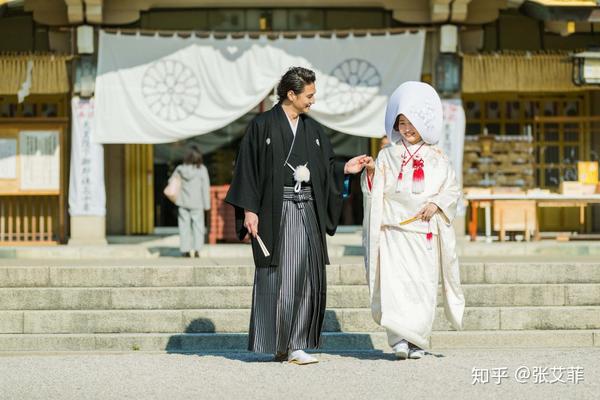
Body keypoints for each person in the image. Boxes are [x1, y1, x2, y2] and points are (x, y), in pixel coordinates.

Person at [225, 67, 369, 365]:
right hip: (278, 211)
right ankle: (282, 343)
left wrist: (345, 168)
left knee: (308, 276)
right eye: (309, 95)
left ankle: (297, 343)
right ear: (291, 94)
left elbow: (325, 166)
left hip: (309, 210)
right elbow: (247, 169)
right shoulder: (262, 125)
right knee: (284, 276)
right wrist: (250, 210)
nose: (313, 101)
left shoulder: (312, 130)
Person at [362, 81, 465, 360]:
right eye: (402, 123)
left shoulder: (437, 157)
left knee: (422, 286)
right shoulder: (387, 155)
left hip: (423, 231)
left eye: (412, 123)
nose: (407, 129)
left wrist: (436, 203)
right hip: (393, 230)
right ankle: (399, 341)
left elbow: (452, 189)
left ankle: (418, 339)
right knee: (396, 286)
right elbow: (375, 190)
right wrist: (371, 172)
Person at [171, 144, 211, 258]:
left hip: (183, 202)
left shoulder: (180, 169)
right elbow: (205, 188)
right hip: (197, 203)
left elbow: (171, 182)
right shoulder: (202, 169)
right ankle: (197, 250)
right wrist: (207, 205)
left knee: (184, 227)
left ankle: (185, 250)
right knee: (198, 227)